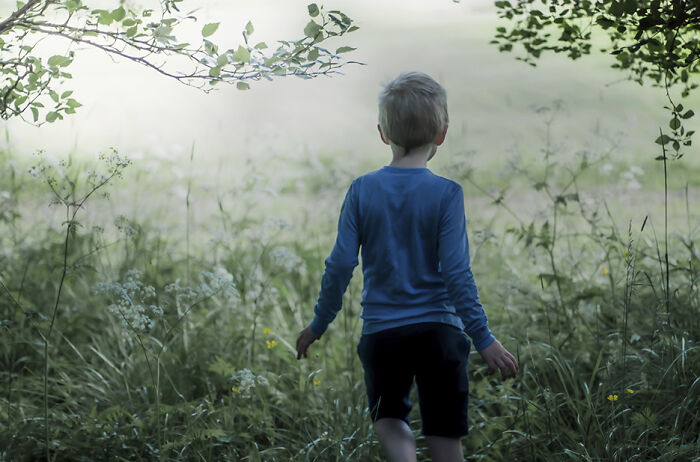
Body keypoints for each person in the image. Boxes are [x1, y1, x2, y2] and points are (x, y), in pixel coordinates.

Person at [295, 71, 519, 462]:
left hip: (384, 336)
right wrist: (483, 339)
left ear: (383, 133)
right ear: (442, 134)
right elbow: (456, 272)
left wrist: (319, 323)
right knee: (445, 438)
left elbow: (341, 263)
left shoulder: (362, 189)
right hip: (441, 335)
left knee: (390, 421)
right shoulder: (447, 194)